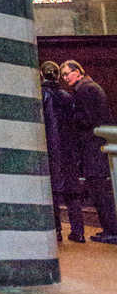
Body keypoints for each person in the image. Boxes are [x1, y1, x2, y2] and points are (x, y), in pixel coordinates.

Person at [60, 59, 117, 242]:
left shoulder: (84, 89)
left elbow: (87, 119)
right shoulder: (89, 87)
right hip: (97, 145)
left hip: (93, 146)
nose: (65, 77)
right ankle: (109, 229)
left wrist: (71, 119)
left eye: (67, 73)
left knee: (99, 191)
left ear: (78, 71)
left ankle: (112, 231)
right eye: (63, 75)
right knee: (99, 190)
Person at [41, 61, 85, 243]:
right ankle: (78, 232)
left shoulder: (41, 95)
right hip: (69, 149)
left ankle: (57, 230)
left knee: (52, 192)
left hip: (50, 148)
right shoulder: (67, 96)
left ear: (42, 75)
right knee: (72, 192)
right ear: (58, 76)